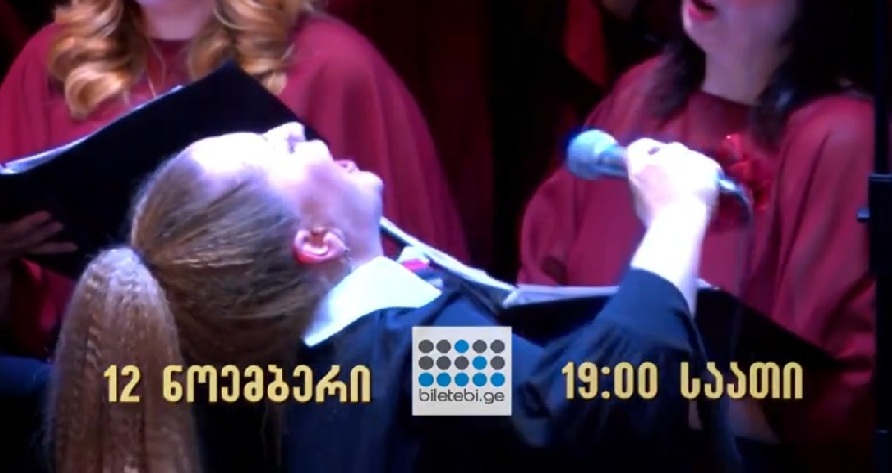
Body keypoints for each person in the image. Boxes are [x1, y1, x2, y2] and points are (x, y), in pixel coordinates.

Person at [46, 121, 721, 472]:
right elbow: (590, 410)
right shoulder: (415, 357)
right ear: (316, 240)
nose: (292, 131)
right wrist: (677, 218)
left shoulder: (281, 375)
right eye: (277, 153)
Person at [0, 0, 466, 360]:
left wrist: (473, 396)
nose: (290, 133)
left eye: (291, 146)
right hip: (118, 404)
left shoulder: (339, 67)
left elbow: (483, 387)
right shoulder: (51, 62)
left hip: (300, 398)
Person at [519, 0, 876, 470]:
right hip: (566, 430)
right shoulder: (640, 93)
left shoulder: (847, 139)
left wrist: (611, 387)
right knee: (430, 376)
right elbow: (531, 312)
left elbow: (836, 405)